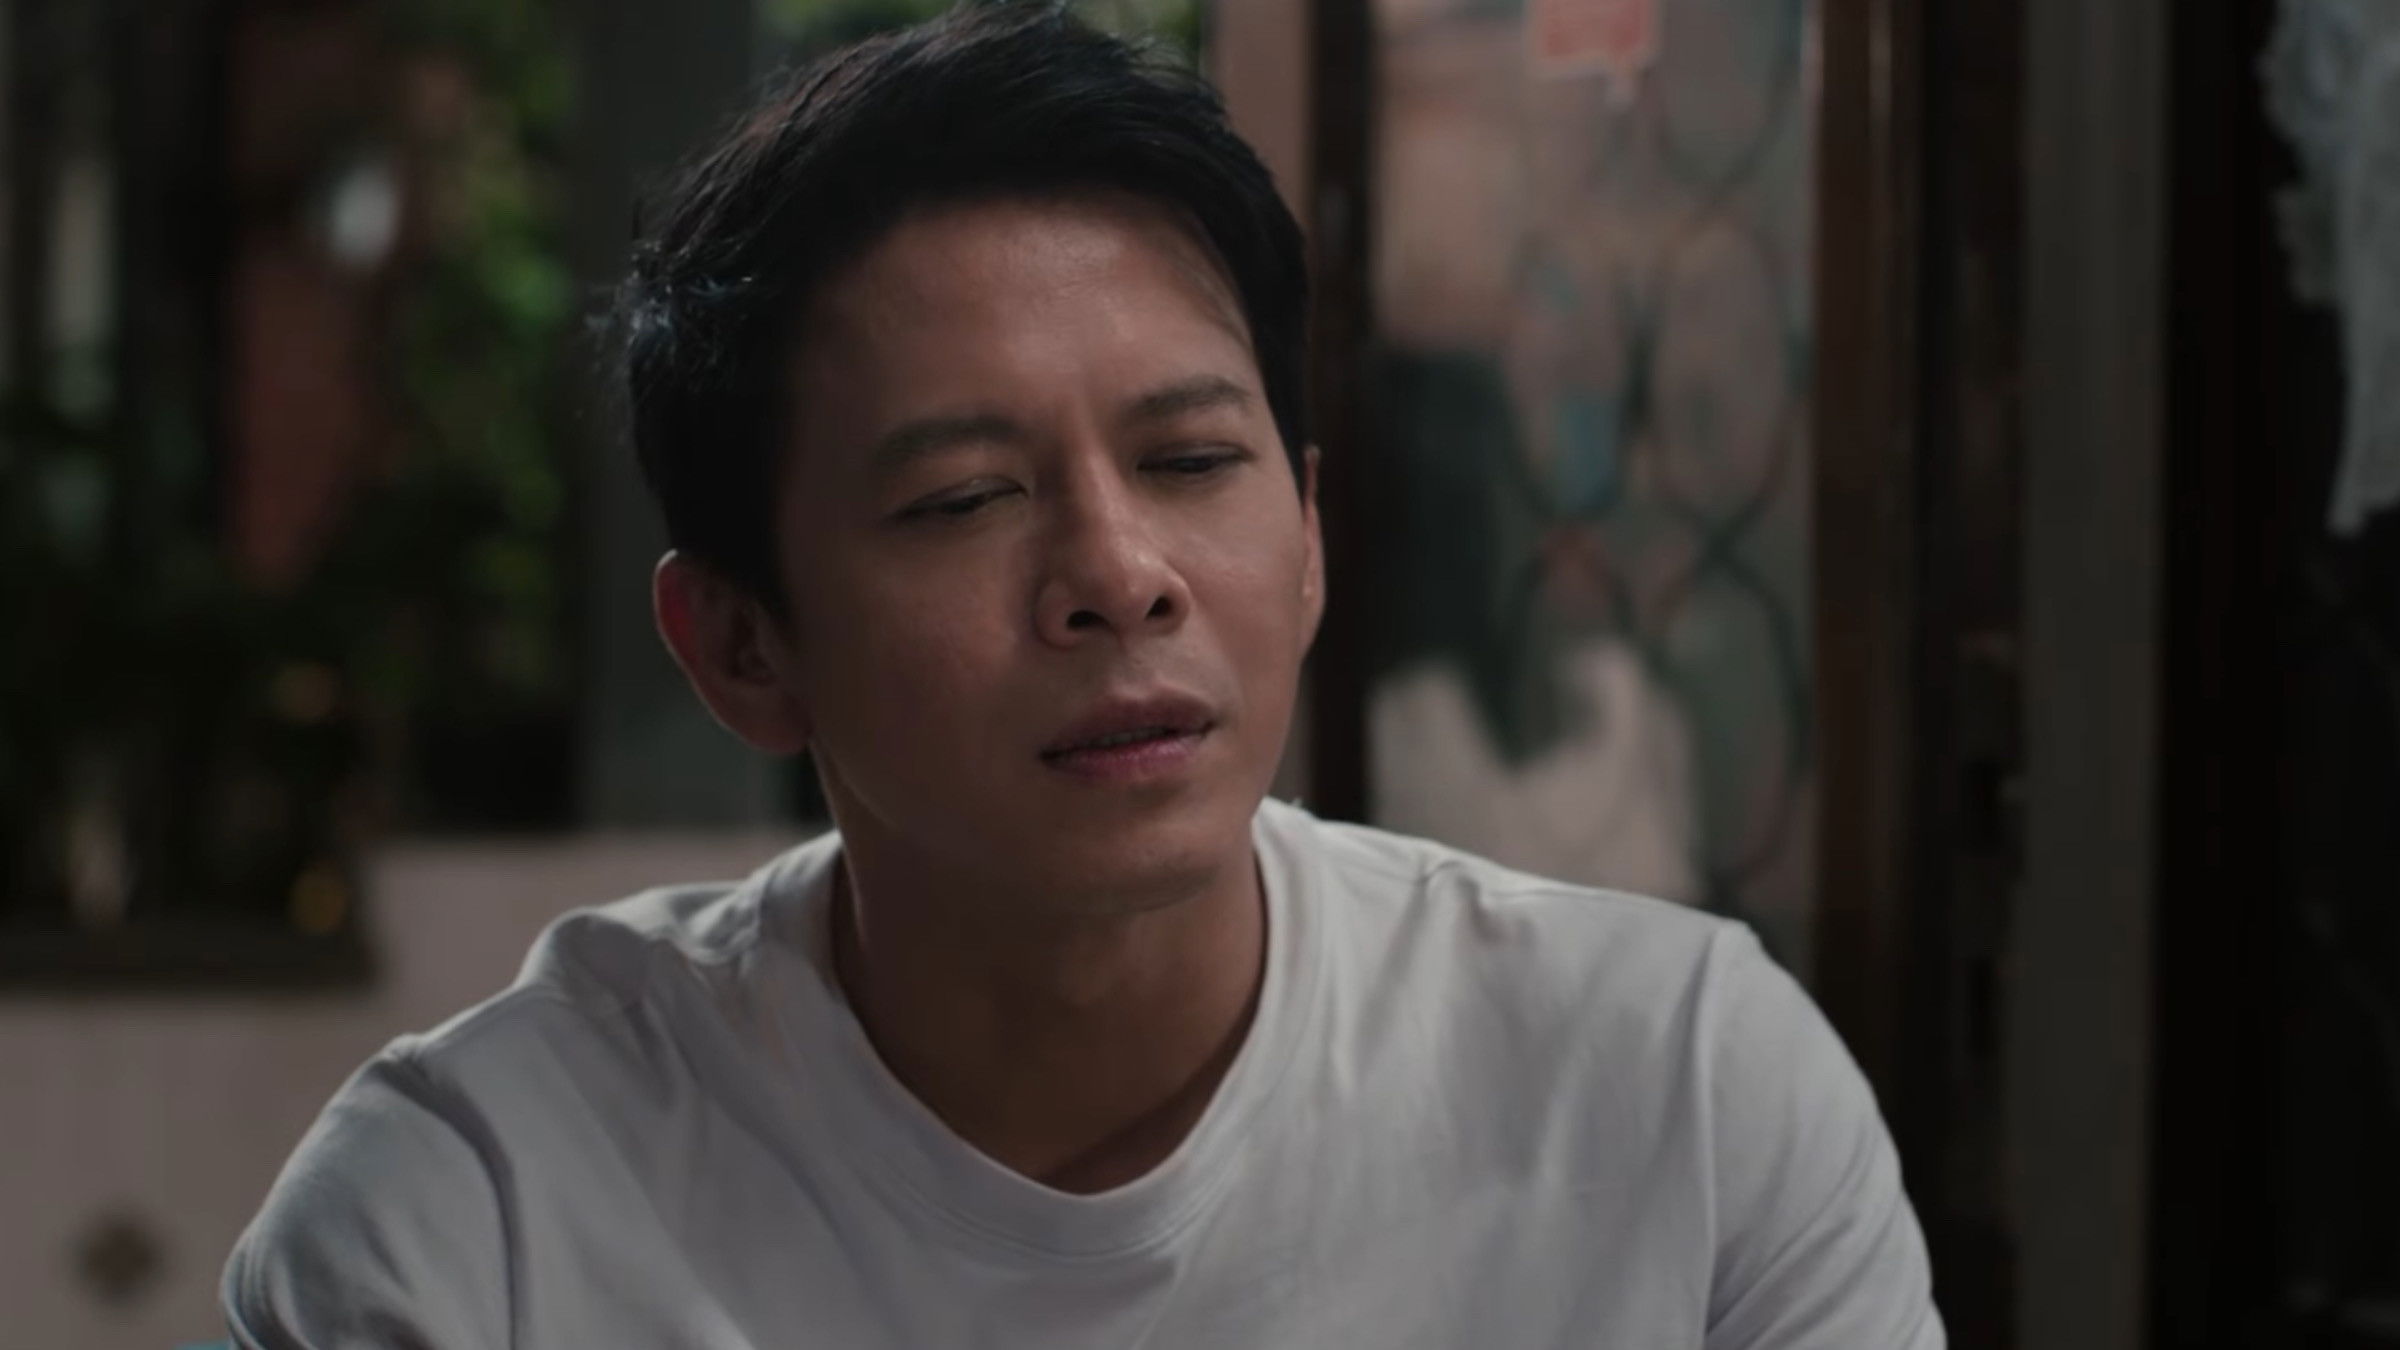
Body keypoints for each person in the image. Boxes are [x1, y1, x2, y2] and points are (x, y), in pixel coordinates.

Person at [222, 6, 1944, 1346]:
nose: (1120, 573)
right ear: (742, 645)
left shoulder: (1678, 1097)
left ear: (1311, 533)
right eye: (963, 498)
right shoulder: (482, 1214)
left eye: (1191, 461)